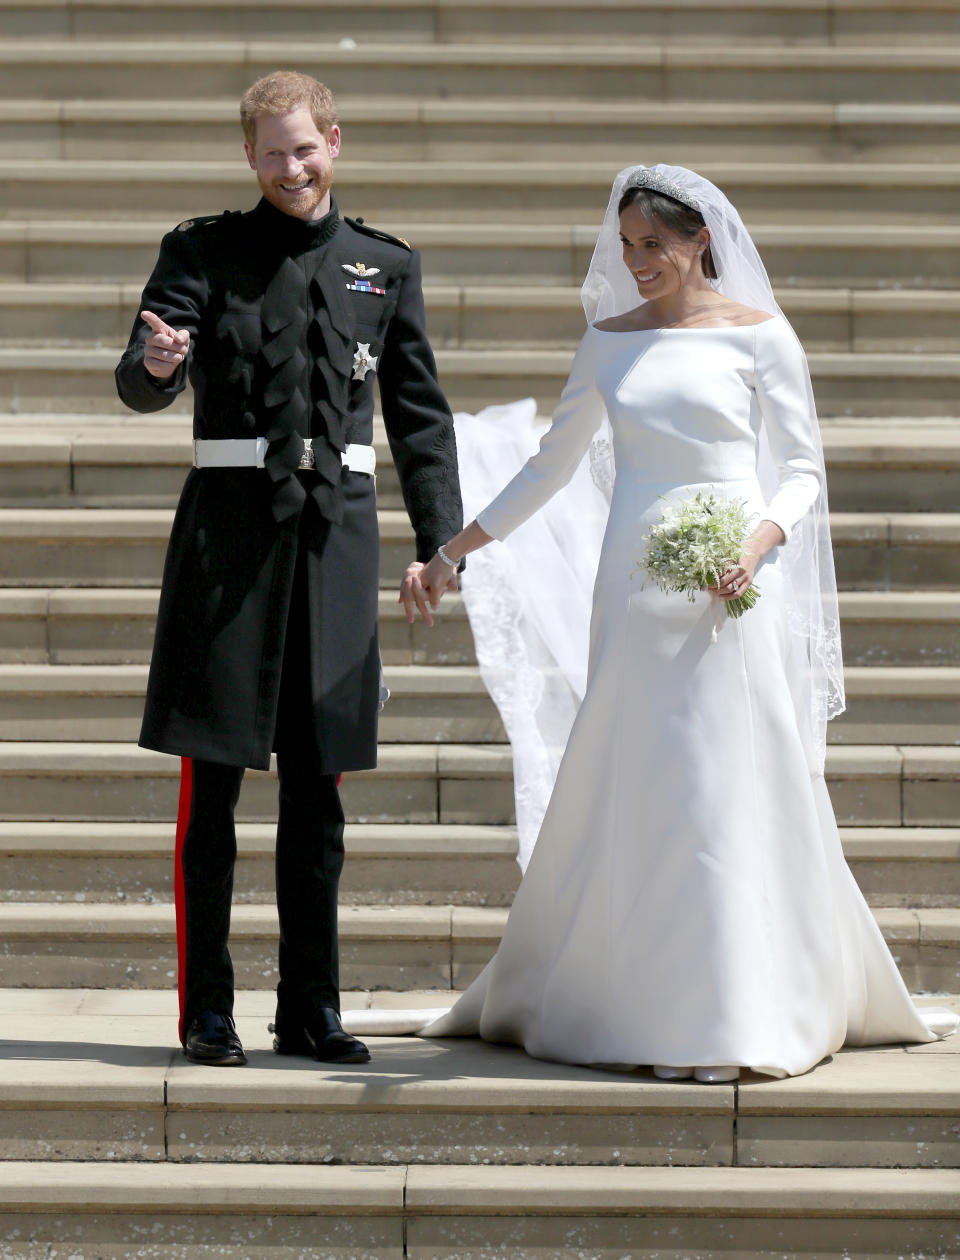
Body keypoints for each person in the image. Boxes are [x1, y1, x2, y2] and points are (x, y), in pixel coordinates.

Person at [398, 165, 958, 1080]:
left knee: (730, 771)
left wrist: (760, 540)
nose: (636, 261)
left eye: (653, 244)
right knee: (647, 775)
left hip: (738, 579)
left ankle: (739, 1008)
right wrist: (454, 552)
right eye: (626, 246)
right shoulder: (608, 343)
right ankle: (638, 999)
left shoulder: (763, 337)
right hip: (632, 587)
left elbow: (804, 470)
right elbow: (550, 468)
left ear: (700, 241)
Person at [115, 71, 463, 1067]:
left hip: (337, 544)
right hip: (228, 544)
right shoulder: (201, 252)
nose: (290, 167)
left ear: (335, 143)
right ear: (249, 157)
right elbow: (137, 377)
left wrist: (440, 539)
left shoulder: (382, 267)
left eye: (304, 147)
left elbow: (419, 416)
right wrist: (161, 365)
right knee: (211, 794)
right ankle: (208, 1012)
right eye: (272, 152)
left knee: (320, 797)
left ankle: (311, 1007)